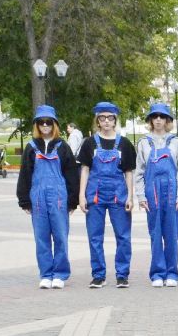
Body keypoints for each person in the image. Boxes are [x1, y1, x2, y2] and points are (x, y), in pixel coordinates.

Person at [15, 104, 80, 289]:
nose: (45, 126)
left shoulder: (62, 147)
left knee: (60, 236)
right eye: (41, 122)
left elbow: (71, 175)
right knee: (41, 237)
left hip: (59, 197)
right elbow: (25, 174)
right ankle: (46, 274)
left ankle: (60, 274)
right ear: (36, 125)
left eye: (48, 122)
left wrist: (72, 201)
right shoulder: (31, 147)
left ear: (54, 124)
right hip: (38, 198)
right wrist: (24, 200)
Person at [78, 101, 136, 288]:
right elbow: (85, 170)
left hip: (119, 195)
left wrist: (130, 196)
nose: (106, 121)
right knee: (95, 236)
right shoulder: (88, 143)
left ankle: (122, 274)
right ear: (97, 121)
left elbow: (128, 172)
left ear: (115, 120)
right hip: (95, 195)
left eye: (110, 118)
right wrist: (81, 196)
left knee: (123, 236)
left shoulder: (124, 144)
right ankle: (98, 275)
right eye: (102, 118)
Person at [137, 102, 178, 288]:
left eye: (162, 117)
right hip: (152, 192)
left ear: (167, 120)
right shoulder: (143, 142)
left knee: (172, 233)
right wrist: (141, 196)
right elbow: (140, 171)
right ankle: (157, 273)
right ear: (150, 120)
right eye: (155, 117)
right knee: (155, 233)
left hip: (172, 191)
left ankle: (172, 272)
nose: (158, 120)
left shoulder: (175, 142)